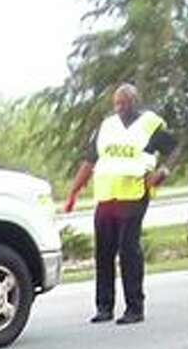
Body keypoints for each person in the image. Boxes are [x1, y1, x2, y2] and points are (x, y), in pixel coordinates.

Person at [62, 85, 177, 326]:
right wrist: (73, 191)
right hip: (106, 196)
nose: (120, 108)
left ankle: (134, 308)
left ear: (136, 102)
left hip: (135, 193)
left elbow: (174, 149)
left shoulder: (150, 124)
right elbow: (90, 160)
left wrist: (162, 172)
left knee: (128, 249)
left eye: (124, 103)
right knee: (103, 252)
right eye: (117, 104)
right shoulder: (106, 127)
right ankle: (104, 307)